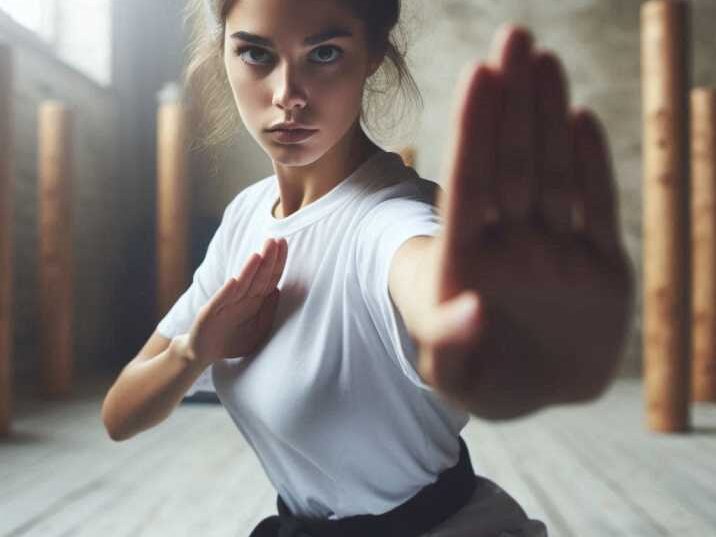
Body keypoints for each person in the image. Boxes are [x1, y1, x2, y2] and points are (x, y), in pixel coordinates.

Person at [101, 0, 635, 536]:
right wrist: (196, 350)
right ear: (224, 52)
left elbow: (422, 275)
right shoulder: (246, 217)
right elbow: (120, 414)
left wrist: (487, 328)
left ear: (374, 54)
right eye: (256, 53)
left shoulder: (391, 220)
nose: (287, 95)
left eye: (325, 53)